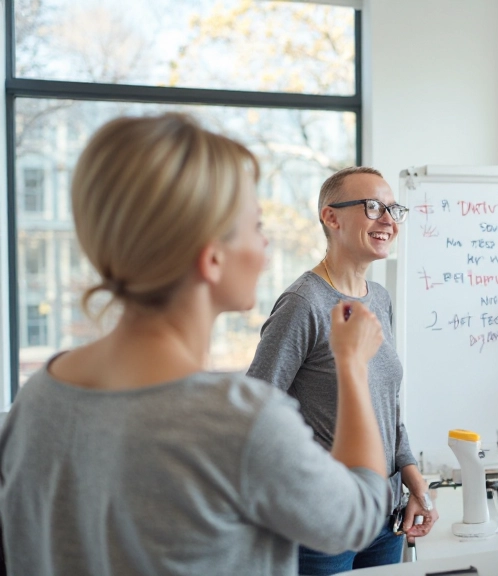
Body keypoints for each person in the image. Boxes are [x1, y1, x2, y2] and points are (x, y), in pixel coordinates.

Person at [0, 113, 392, 575]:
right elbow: (360, 516)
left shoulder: (39, 396)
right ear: (211, 258)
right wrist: (351, 363)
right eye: (257, 227)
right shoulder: (242, 421)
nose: (266, 247)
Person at [248, 166, 437, 575]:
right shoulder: (304, 303)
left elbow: (388, 408)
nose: (388, 219)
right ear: (331, 217)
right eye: (373, 207)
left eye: (393, 209)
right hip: (323, 522)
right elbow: (255, 410)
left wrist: (413, 479)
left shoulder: (380, 299)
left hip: (384, 518)